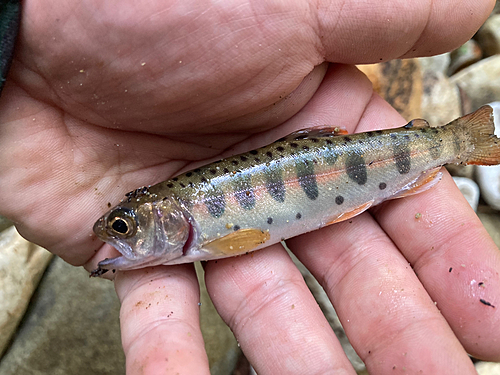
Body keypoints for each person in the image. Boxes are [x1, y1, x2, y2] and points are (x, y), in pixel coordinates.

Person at [1, 1, 499, 373]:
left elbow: (241, 241)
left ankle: (453, 141)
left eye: (123, 227)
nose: (116, 239)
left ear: (165, 216)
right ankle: (449, 142)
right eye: (121, 227)